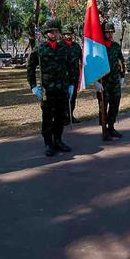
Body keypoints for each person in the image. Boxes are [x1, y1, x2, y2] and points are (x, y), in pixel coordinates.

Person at [27, 19, 76, 157]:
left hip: (62, 89)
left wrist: (72, 84)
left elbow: (72, 67)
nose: (54, 34)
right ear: (46, 33)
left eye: (56, 31)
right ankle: (49, 144)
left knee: (60, 117)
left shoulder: (64, 48)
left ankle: (58, 140)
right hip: (47, 91)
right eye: (51, 32)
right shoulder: (39, 49)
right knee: (48, 118)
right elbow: (30, 68)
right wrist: (33, 86)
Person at [96, 22, 125, 140]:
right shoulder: (98, 47)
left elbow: (121, 61)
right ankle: (104, 130)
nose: (109, 34)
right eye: (107, 32)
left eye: (111, 32)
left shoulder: (115, 46)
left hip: (114, 81)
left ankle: (111, 127)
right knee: (103, 107)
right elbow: (93, 66)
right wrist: (95, 82)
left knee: (115, 104)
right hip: (103, 82)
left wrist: (122, 76)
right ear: (102, 33)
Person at [62, 25, 82, 124]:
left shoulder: (76, 46)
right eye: (66, 34)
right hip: (63, 77)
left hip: (74, 76)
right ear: (63, 34)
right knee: (63, 98)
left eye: (69, 33)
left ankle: (71, 115)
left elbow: (81, 60)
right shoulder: (59, 46)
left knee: (73, 97)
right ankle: (64, 117)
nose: (68, 35)